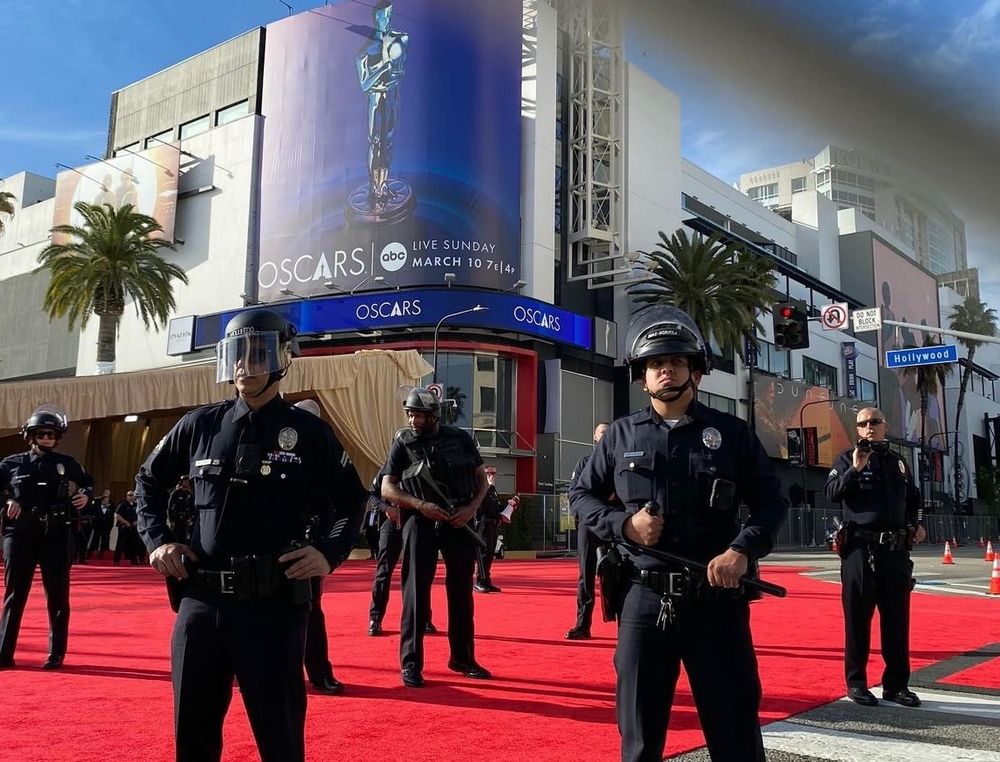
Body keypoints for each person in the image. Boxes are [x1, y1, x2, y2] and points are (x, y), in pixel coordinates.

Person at [136, 308, 366, 761]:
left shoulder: (309, 433)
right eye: (237, 354)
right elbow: (148, 481)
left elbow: (352, 499)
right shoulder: (199, 425)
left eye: (258, 353)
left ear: (284, 357)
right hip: (200, 604)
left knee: (279, 738)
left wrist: (329, 552)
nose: (245, 365)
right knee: (193, 735)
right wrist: (157, 539)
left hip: (272, 608)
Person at [570, 306, 787, 762]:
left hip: (716, 601)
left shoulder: (732, 434)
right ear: (642, 377)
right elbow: (581, 497)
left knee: (735, 735)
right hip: (644, 602)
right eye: (654, 364)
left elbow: (771, 503)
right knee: (640, 737)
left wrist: (742, 550)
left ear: (697, 372)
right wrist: (624, 526)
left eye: (676, 361)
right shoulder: (620, 436)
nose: (665, 370)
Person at [381, 387, 490, 687]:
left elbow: (482, 480)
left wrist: (471, 508)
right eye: (411, 414)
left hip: (459, 520)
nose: (414, 420)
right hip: (421, 521)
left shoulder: (460, 439)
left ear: (434, 415)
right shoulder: (402, 442)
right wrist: (420, 505)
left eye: (419, 415)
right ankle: (411, 664)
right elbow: (387, 488)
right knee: (415, 593)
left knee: (461, 594)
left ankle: (463, 658)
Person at [825, 406, 925, 709]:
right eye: (863, 424)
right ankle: (857, 683)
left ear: (885, 426)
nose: (869, 427)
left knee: (897, 619)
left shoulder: (898, 462)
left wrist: (917, 523)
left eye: (875, 422)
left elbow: (914, 499)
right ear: (858, 430)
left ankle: (896, 685)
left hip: (895, 552)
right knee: (857, 618)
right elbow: (831, 494)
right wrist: (855, 468)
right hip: (859, 551)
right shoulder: (846, 459)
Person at [0, 405, 93, 670]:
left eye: (52, 435)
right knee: (14, 593)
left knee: (58, 594)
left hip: (57, 532)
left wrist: (85, 495)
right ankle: (4, 654)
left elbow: (88, 483)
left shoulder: (67, 463)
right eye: (41, 434)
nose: (47, 439)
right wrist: (7, 500)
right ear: (30, 435)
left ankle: (56, 654)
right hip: (20, 533)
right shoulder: (11, 464)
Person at [292, 398, 344, 697]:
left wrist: (325, 548)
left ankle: (320, 673)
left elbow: (337, 508)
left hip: (309, 548)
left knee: (312, 610)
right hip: (268, 543)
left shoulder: (324, 462)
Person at [367, 470, 438, 637]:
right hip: (391, 524)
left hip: (415, 523)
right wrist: (386, 508)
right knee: (384, 571)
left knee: (420, 572)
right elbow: (371, 495)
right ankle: (375, 618)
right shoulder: (387, 469)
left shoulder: (421, 466)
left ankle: (424, 618)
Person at [565, 422, 609, 639]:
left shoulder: (621, 462)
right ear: (594, 437)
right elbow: (574, 493)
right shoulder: (584, 463)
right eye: (602, 432)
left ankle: (626, 627)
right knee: (586, 575)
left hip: (615, 526)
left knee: (617, 575)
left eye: (608, 433)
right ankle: (583, 625)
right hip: (589, 525)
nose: (605, 436)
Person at [473, 466, 504, 593]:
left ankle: (487, 581)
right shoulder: (482, 488)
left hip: (492, 524)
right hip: (483, 524)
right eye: (489, 473)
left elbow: (496, 507)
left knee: (490, 553)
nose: (492, 476)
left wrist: (509, 505)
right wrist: (488, 486)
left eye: (494, 473)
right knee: (483, 553)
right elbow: (481, 504)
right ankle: (479, 581)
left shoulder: (492, 490)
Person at [114, 490, 142, 565]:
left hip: (134, 527)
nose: (130, 497)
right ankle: (116, 561)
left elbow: (141, 515)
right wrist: (125, 522)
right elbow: (117, 515)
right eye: (129, 495)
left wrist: (137, 521)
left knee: (134, 544)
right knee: (120, 544)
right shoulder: (122, 504)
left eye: (132, 495)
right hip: (124, 527)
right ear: (126, 496)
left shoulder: (137, 505)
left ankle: (134, 560)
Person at [167, 477, 195, 546]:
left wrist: (190, 518)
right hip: (176, 519)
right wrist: (171, 520)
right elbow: (170, 508)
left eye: (187, 481)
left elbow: (192, 506)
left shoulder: (189, 493)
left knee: (184, 539)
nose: (186, 483)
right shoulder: (175, 493)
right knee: (175, 538)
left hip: (185, 520)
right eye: (184, 481)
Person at [88, 489, 115, 560]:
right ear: (102, 501)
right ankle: (90, 553)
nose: (106, 501)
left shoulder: (111, 507)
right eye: (105, 500)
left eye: (107, 500)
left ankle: (101, 554)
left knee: (104, 540)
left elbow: (111, 518)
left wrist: (111, 527)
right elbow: (92, 514)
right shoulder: (96, 506)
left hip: (106, 527)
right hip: (97, 526)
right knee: (95, 540)